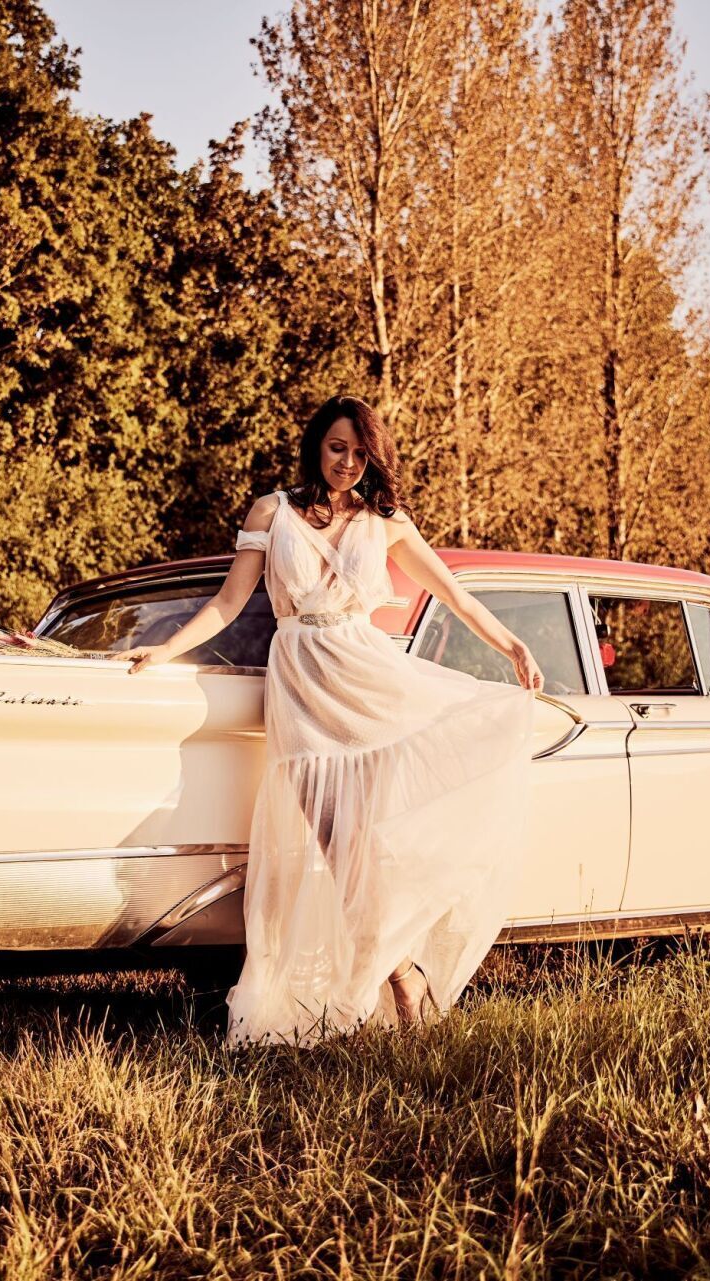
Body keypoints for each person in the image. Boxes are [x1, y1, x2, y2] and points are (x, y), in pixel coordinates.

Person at [116, 395, 543, 1046]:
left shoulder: (386, 520)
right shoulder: (272, 510)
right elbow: (230, 602)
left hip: (370, 679)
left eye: (359, 452)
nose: (347, 462)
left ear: (373, 456)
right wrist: (165, 648)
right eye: (337, 448)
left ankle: (401, 978)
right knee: (339, 850)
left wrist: (511, 644)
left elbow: (453, 594)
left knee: (369, 848)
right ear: (317, 445)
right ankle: (403, 976)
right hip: (303, 689)